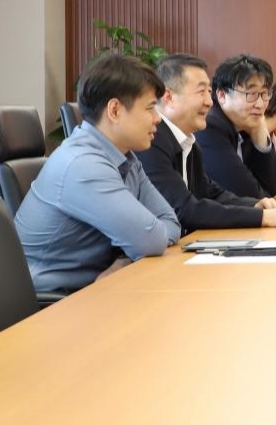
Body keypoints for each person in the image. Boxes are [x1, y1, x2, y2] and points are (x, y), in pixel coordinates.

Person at [15, 52, 180, 294]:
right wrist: (137, 247)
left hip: (94, 290)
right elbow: (151, 240)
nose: (158, 119)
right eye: (150, 108)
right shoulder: (83, 165)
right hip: (54, 303)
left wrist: (123, 260)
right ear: (114, 110)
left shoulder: (125, 158)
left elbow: (169, 222)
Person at [137, 54, 276, 233]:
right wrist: (263, 217)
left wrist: (256, 205)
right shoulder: (152, 140)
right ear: (169, 98)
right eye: (201, 92)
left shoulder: (188, 140)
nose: (208, 101)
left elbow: (209, 192)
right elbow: (184, 209)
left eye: (208, 91)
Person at [196, 54, 276, 200]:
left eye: (264, 94)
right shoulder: (210, 127)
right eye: (251, 94)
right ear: (222, 95)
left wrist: (260, 132)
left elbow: (272, 187)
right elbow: (249, 194)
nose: (260, 104)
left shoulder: (245, 126)